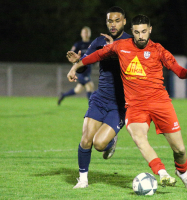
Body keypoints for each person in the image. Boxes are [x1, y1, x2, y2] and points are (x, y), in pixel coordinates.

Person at [67, 14, 187, 189]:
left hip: (160, 103)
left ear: (150, 30)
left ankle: (182, 172)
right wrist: (76, 65)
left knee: (180, 150)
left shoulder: (158, 50)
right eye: (137, 32)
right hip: (135, 106)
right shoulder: (120, 46)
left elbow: (180, 72)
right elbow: (96, 56)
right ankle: (162, 173)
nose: (141, 36)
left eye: (144, 31)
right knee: (139, 138)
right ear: (132, 32)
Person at [67, 7, 132, 189]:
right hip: (100, 98)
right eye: (110, 21)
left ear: (124, 21)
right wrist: (75, 64)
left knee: (99, 144)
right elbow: (84, 64)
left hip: (120, 104)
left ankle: (110, 141)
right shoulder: (99, 41)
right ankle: (83, 180)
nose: (113, 24)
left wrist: (114, 49)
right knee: (86, 139)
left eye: (117, 20)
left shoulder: (132, 42)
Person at [58, 26, 94, 105]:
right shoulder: (78, 45)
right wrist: (75, 63)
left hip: (88, 70)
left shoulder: (92, 44)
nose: (86, 34)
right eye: (84, 32)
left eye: (87, 32)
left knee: (78, 90)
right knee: (90, 85)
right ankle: (91, 107)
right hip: (81, 71)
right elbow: (70, 55)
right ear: (81, 34)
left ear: (90, 34)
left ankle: (63, 95)